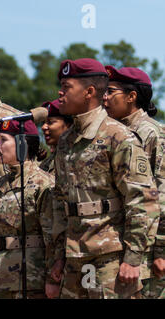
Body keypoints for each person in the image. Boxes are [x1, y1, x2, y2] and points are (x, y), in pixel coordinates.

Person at [52, 58, 160, 299]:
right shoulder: (66, 141)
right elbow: (59, 205)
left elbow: (143, 201)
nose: (60, 93)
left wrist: (133, 259)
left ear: (89, 92)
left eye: (66, 87)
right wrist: (57, 257)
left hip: (110, 258)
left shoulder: (119, 137)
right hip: (73, 257)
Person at [103, 65, 165, 298]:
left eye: (111, 92)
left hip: (147, 252)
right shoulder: (116, 132)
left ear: (131, 97)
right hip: (126, 243)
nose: (105, 98)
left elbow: (160, 192)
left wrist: (161, 251)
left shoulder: (147, 132)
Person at [0, 118, 59, 299]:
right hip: (4, 279)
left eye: (3, 140)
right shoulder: (1, 185)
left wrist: (52, 279)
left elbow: (53, 236)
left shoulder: (42, 183)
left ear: (22, 143)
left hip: (33, 280)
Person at [39, 99, 73, 173]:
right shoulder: (51, 159)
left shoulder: (75, 157)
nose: (43, 127)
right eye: (43, 122)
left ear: (69, 125)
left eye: (50, 122)